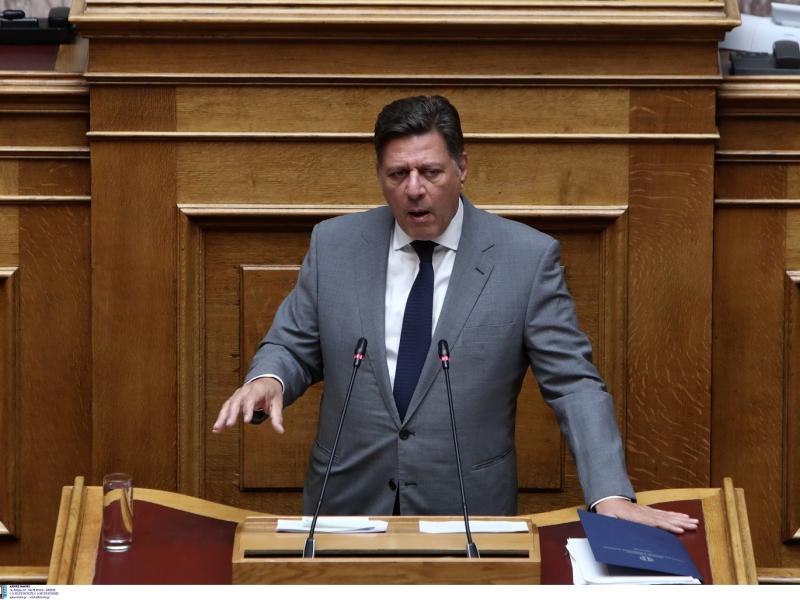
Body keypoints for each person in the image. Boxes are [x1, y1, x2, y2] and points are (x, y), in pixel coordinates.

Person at [213, 95, 697, 533]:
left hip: (467, 511)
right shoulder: (335, 244)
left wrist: (609, 494)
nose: (414, 189)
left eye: (431, 172)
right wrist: (270, 378)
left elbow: (573, 383)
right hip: (346, 505)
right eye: (398, 174)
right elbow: (293, 345)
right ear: (379, 175)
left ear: (462, 168)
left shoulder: (525, 259)